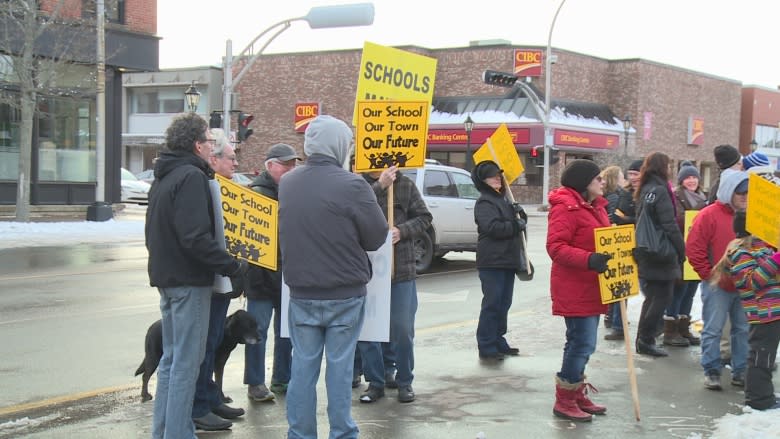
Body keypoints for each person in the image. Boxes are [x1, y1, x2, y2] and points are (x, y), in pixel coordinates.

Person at [279, 115, 388, 439]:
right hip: (344, 293)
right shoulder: (352, 184)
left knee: (303, 368)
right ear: (340, 146)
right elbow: (376, 236)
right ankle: (341, 433)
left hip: (301, 291)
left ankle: (300, 434)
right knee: (340, 370)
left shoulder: (288, 182)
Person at [146, 113, 248, 439]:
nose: (210, 147)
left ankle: (164, 431)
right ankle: (178, 433)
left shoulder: (164, 175)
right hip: (189, 282)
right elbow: (195, 238)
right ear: (196, 145)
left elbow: (157, 232)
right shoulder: (190, 176)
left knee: (171, 362)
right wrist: (231, 265)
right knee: (185, 367)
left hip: (168, 279)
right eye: (207, 142)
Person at [355, 164, 432, 404]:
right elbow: (353, 212)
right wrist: (380, 187)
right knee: (368, 331)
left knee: (401, 328)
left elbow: (425, 217)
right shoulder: (357, 187)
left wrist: (402, 230)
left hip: (401, 270)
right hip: (366, 272)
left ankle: (405, 380)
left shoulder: (406, 185)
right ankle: (375, 382)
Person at [190, 128, 247, 431]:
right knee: (204, 343)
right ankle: (199, 404)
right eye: (231, 158)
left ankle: (209, 396)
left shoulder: (232, 189)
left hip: (224, 279)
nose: (235, 164)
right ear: (214, 159)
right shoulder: (206, 187)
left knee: (212, 342)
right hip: (211, 277)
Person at [547, 159, 610, 422]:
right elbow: (556, 247)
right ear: (585, 183)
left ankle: (575, 392)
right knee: (580, 343)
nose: (603, 182)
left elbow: (602, 240)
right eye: (598, 178)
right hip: (574, 287)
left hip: (592, 286)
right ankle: (565, 399)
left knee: (585, 344)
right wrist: (589, 259)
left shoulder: (595, 207)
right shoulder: (566, 209)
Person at [244, 143, 300, 402]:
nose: (292, 168)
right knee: (257, 331)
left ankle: (282, 378)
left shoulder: (294, 190)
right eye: (286, 164)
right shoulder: (257, 193)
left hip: (286, 275)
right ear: (270, 165)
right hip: (260, 277)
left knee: (285, 331)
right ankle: (255, 383)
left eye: (293, 164)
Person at [686, 169, 750, 390]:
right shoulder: (709, 214)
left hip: (746, 283)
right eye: (741, 192)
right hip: (717, 284)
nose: (745, 196)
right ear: (729, 191)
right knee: (713, 328)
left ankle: (741, 370)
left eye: (749, 192)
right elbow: (694, 248)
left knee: (742, 329)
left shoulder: (755, 215)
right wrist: (709, 275)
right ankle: (712, 370)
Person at [714, 211, 780, 410]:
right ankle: (758, 399)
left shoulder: (761, 248)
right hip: (762, 313)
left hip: (773, 311)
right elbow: (753, 281)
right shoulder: (741, 252)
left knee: (766, 356)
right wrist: (777, 258)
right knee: (761, 356)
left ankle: (764, 394)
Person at [471, 160, 526, 361]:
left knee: (504, 303)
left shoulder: (504, 199)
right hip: (492, 260)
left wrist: (520, 215)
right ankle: (486, 344)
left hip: (507, 260)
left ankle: (498, 339)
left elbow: (519, 223)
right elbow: (492, 227)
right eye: (492, 176)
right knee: (492, 304)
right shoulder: (485, 202)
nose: (497, 179)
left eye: (498, 175)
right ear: (484, 181)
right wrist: (515, 224)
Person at [633, 152, 686, 358]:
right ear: (664, 167)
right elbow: (669, 225)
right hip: (661, 251)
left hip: (646, 250)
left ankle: (643, 338)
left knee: (653, 296)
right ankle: (646, 339)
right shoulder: (662, 190)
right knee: (662, 296)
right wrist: (681, 249)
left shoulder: (645, 188)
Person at [662, 162, 707, 348]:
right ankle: (670, 330)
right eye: (687, 177)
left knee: (690, 292)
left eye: (694, 177)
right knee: (678, 290)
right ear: (681, 180)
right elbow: (677, 221)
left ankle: (683, 327)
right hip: (681, 249)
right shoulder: (676, 196)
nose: (691, 180)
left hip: (699, 249)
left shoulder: (703, 197)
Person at [604, 159, 643, 340]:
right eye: (631, 174)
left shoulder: (650, 192)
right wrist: (632, 220)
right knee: (623, 286)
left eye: (637, 174)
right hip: (625, 244)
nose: (633, 178)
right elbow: (617, 218)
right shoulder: (625, 194)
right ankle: (617, 323)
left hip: (645, 245)